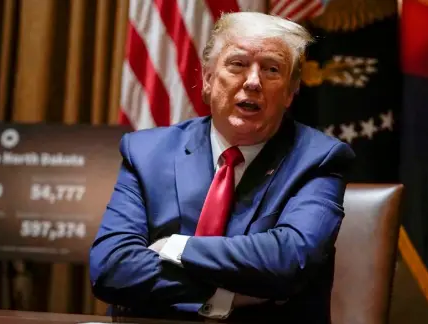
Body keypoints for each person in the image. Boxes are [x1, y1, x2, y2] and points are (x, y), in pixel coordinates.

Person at [89, 11, 355, 323]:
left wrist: (176, 247)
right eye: (238, 64)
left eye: (272, 69)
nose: (253, 82)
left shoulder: (319, 159)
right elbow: (111, 267)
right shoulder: (147, 153)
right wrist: (226, 294)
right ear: (208, 78)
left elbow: (288, 259)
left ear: (290, 91)